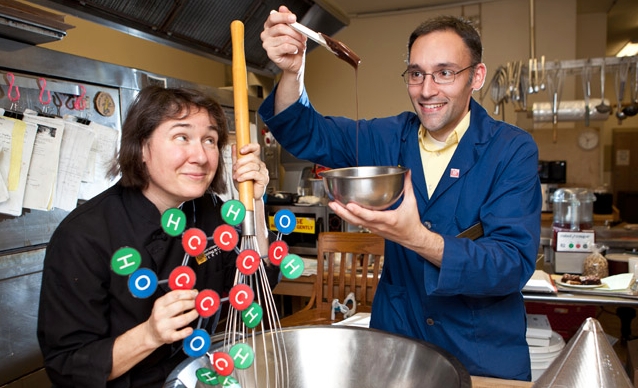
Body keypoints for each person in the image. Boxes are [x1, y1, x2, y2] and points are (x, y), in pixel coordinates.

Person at [259, 6, 541, 381]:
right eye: (416, 74)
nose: (426, 90)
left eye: (444, 73)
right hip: (399, 347)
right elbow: (303, 132)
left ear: (476, 76)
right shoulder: (387, 137)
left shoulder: (511, 150)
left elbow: (510, 264)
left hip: (479, 352)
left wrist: (417, 239)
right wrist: (293, 71)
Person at [37, 85, 276, 387]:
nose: (201, 156)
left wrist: (255, 203)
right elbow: (66, 365)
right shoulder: (83, 236)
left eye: (210, 140)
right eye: (182, 137)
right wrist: (149, 334)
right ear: (142, 147)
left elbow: (256, 288)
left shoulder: (212, 213)